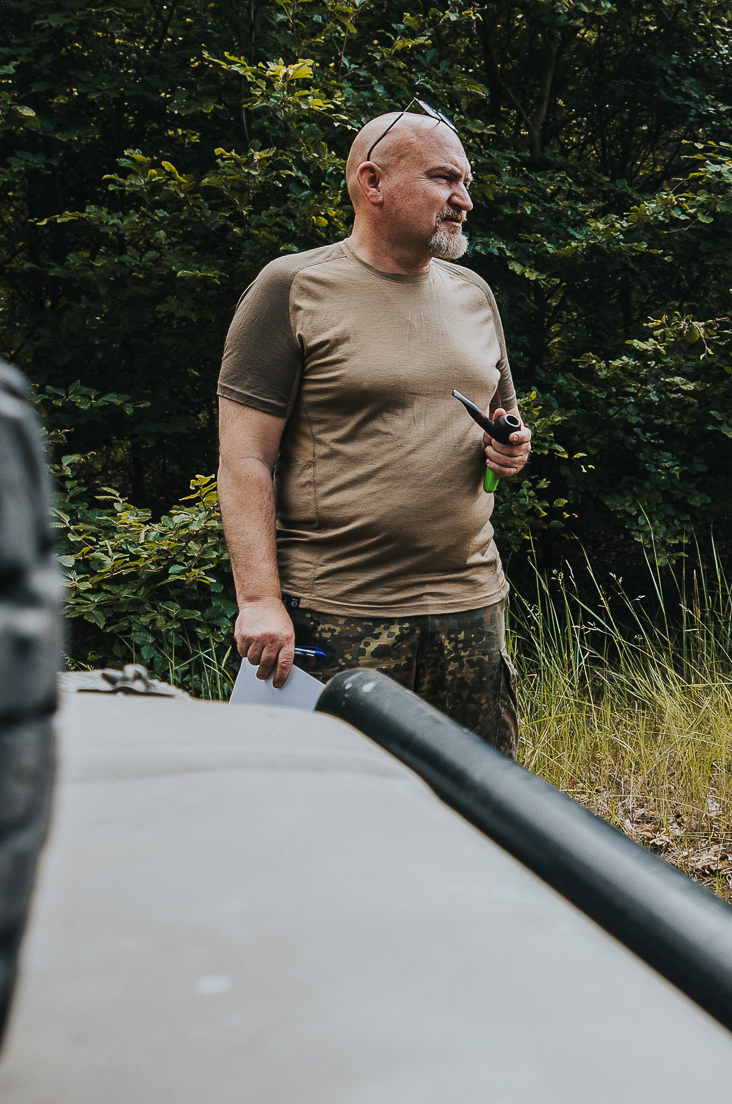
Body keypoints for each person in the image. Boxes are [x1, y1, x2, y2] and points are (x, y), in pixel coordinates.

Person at [216, 105, 532, 754]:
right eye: (445, 179)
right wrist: (258, 600)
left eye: (467, 182)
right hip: (337, 614)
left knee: (474, 823)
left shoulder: (474, 294)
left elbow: (505, 421)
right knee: (331, 823)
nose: (464, 199)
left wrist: (510, 445)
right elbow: (245, 457)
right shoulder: (292, 286)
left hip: (470, 606)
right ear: (373, 182)